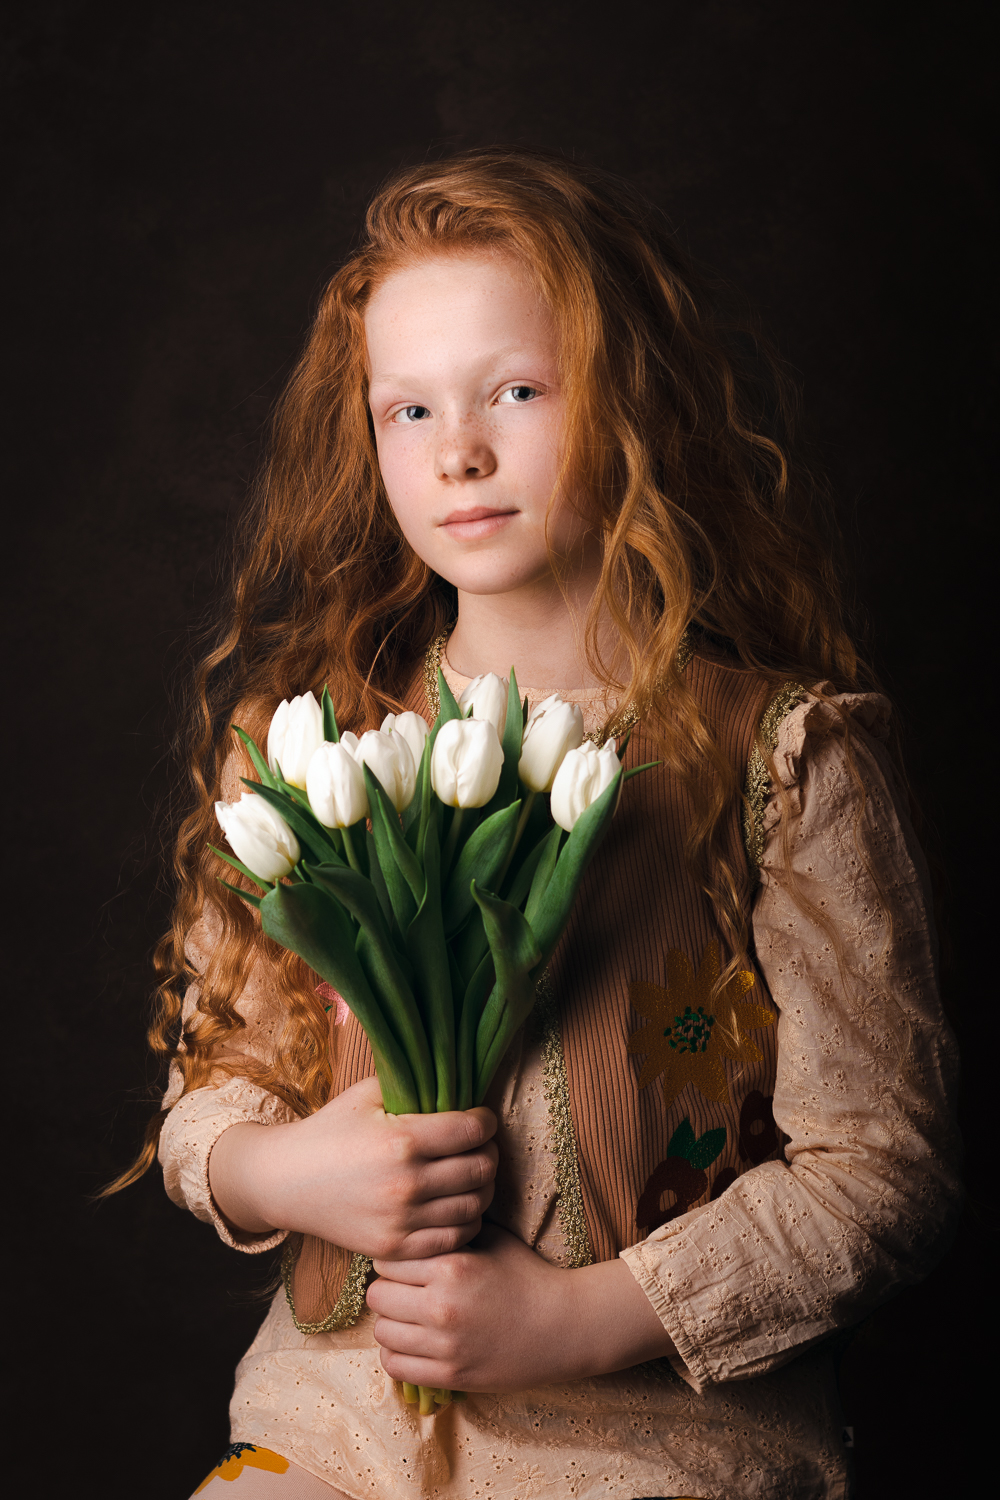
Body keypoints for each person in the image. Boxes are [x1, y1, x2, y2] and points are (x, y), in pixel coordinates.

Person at [119, 149, 960, 1498]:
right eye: (408, 410)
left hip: (656, 1451)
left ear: (630, 402)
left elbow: (884, 1171)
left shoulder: (787, 759)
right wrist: (283, 1171)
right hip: (331, 1437)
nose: (459, 451)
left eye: (518, 391)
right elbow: (203, 1095)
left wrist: (583, 1318)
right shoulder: (308, 742)